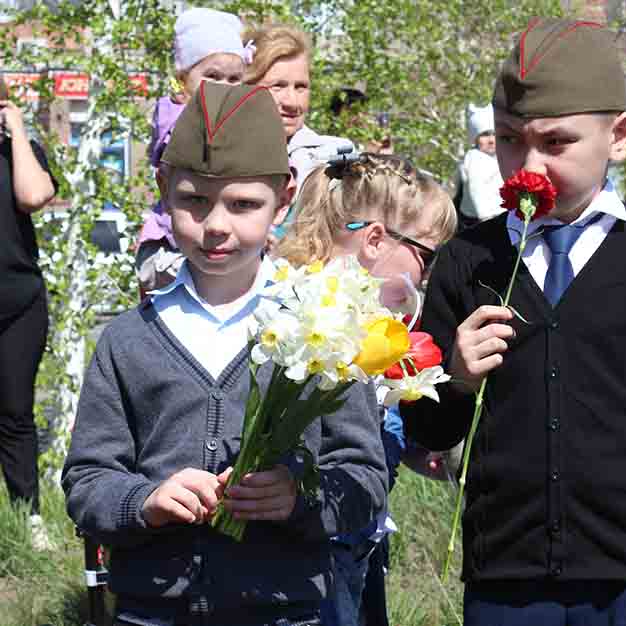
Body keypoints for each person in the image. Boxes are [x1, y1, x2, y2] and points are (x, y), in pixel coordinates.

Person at [402, 18, 626, 626]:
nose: (529, 164)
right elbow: (429, 428)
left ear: (620, 136)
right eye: (509, 140)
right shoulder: (468, 259)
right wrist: (454, 377)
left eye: (556, 143)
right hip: (506, 575)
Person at [62, 82, 388, 626]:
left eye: (243, 205)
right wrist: (144, 501)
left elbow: (364, 480)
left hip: (285, 612)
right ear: (164, 188)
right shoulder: (128, 339)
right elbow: (88, 479)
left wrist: (298, 497)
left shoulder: (321, 332)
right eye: (193, 200)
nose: (216, 225)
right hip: (152, 611)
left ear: (284, 198)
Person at [275, 152, 458, 626]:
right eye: (426, 255)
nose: (428, 275)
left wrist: (410, 453)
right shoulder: (307, 321)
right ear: (376, 240)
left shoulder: (367, 325)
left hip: (356, 544)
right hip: (310, 559)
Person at [135, 6, 253, 295]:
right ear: (184, 80)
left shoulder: (229, 121)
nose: (223, 87)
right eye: (213, 76)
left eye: (234, 79)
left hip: (203, 242)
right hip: (169, 248)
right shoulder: (178, 120)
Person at [0, 79, 58, 551]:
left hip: (18, 303)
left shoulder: (21, 149)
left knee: (16, 412)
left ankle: (29, 518)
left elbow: (34, 196)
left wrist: (17, 131)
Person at [243, 23, 353, 237]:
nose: (293, 102)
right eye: (278, 86)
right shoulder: (215, 155)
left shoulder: (336, 159)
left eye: (301, 87)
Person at [453, 104, 504, 230]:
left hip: (496, 216)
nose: (491, 139)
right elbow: (477, 190)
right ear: (475, 139)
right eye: (485, 135)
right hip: (479, 221)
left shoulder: (496, 156)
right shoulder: (475, 159)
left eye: (494, 133)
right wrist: (486, 219)